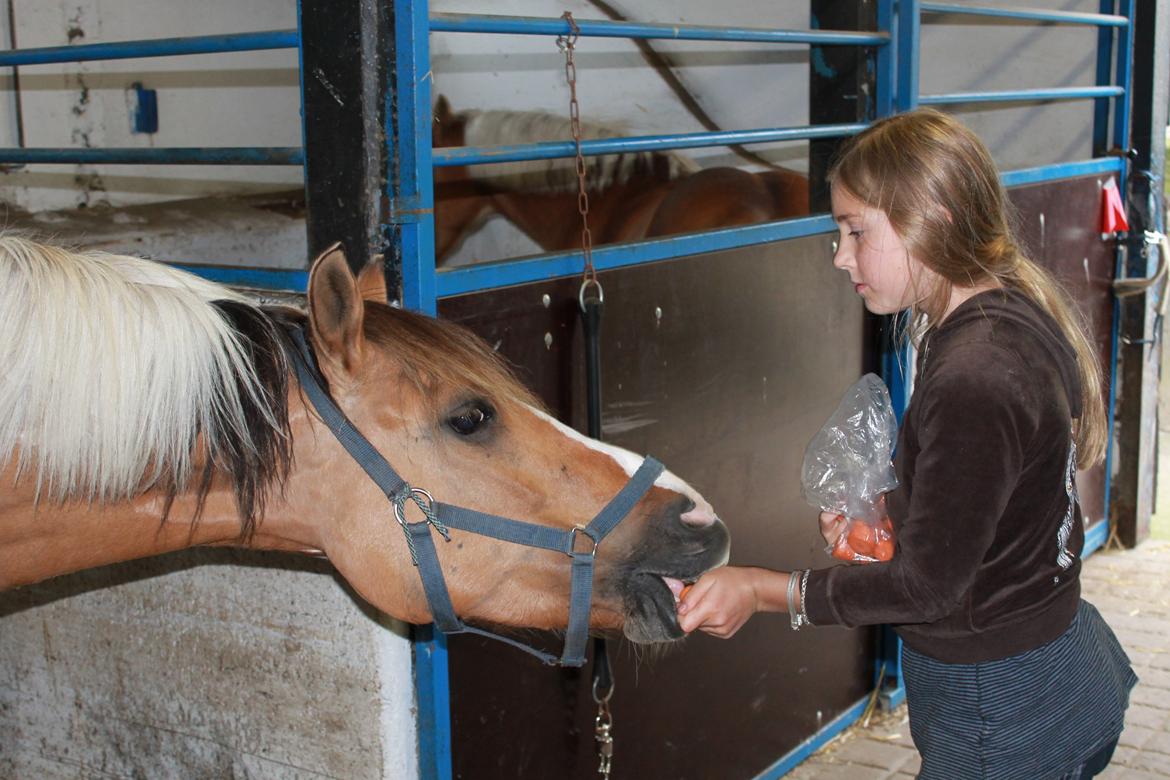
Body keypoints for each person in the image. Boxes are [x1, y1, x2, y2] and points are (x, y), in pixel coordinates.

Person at [675, 108, 1137, 780]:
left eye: (855, 231)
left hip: (1001, 713)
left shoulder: (974, 373)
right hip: (1055, 669)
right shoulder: (1002, 311)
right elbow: (988, 506)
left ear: (935, 217)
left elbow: (928, 590)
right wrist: (889, 521)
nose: (839, 256)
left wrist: (761, 589)